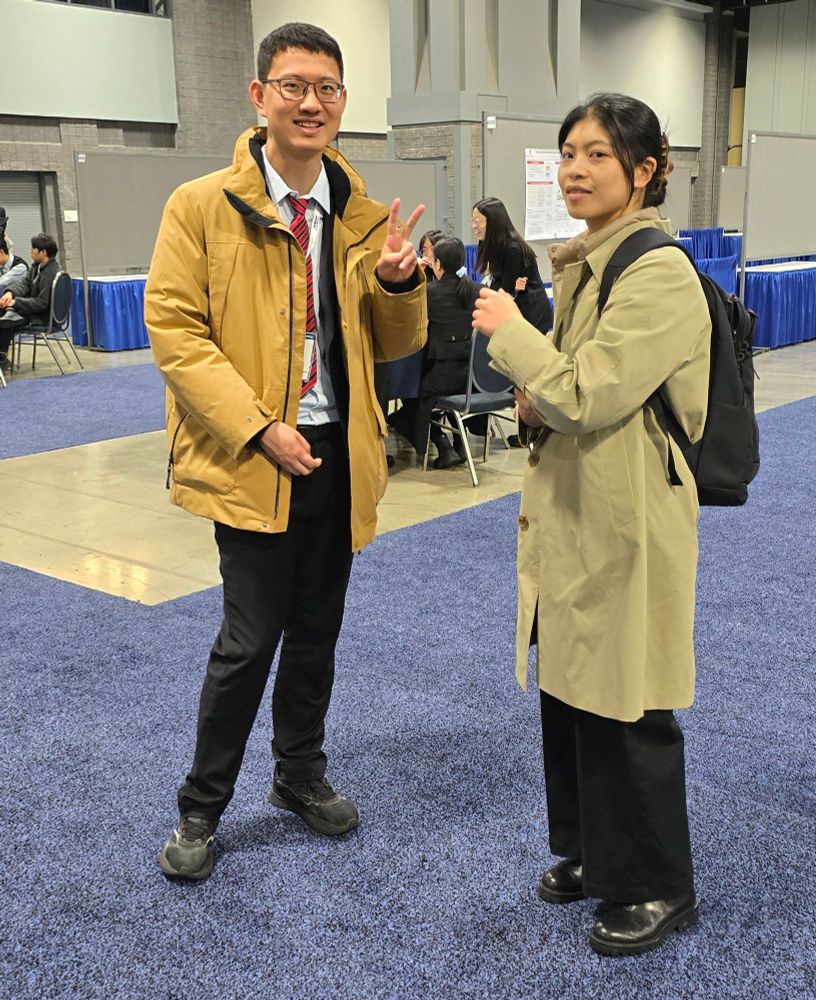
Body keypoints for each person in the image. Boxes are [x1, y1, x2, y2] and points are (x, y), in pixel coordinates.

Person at [145, 21, 427, 883]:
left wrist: (396, 283)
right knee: (249, 635)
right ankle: (201, 807)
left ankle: (299, 776)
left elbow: (392, 344)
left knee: (318, 630)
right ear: (260, 96)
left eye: (328, 89)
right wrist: (259, 427)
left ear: (343, 104)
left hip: (342, 449)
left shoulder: (359, 211)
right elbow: (177, 331)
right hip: (254, 450)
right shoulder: (201, 206)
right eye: (295, 85)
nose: (312, 102)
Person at [473, 93, 711, 957]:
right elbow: (560, 389)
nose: (574, 168)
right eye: (568, 151)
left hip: (629, 514)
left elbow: (586, 390)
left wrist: (509, 332)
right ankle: (590, 850)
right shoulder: (589, 260)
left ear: (645, 171)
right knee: (574, 689)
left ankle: (657, 882)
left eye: (597, 155)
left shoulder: (658, 271)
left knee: (629, 697)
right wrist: (535, 389)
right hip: (577, 504)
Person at [389, 237, 480, 468]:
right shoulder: (479, 291)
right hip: (474, 379)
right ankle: (460, 441)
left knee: (412, 392)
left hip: (444, 379)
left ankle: (442, 444)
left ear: (436, 264)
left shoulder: (427, 293)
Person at [470, 196, 553, 335]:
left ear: (493, 223)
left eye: (478, 221)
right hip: (515, 310)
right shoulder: (489, 243)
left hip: (530, 314)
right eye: (472, 221)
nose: (473, 226)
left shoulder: (513, 249)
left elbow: (505, 290)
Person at [0, 233, 61, 372]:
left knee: (3, 319)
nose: (30, 252)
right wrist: (10, 293)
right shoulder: (36, 268)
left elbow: (41, 303)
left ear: (43, 252)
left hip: (40, 317)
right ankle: (2, 356)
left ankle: (1, 357)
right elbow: (23, 284)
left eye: (33, 249)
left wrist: (15, 303)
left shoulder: (50, 273)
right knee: (4, 315)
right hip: (30, 312)